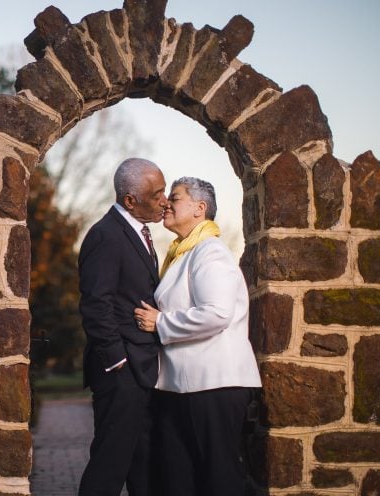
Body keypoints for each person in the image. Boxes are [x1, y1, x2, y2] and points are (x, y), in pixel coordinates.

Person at [133, 176, 262, 496]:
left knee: (219, 477)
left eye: (174, 198)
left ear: (199, 208)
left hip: (214, 385)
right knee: (179, 478)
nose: (165, 203)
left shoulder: (210, 253)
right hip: (183, 386)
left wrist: (161, 323)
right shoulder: (183, 254)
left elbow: (217, 313)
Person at [78, 158, 167, 496]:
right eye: (156, 194)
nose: (164, 200)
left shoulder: (139, 233)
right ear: (130, 200)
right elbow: (94, 304)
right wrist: (117, 362)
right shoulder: (105, 235)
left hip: (141, 369)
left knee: (142, 463)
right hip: (121, 373)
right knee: (109, 465)